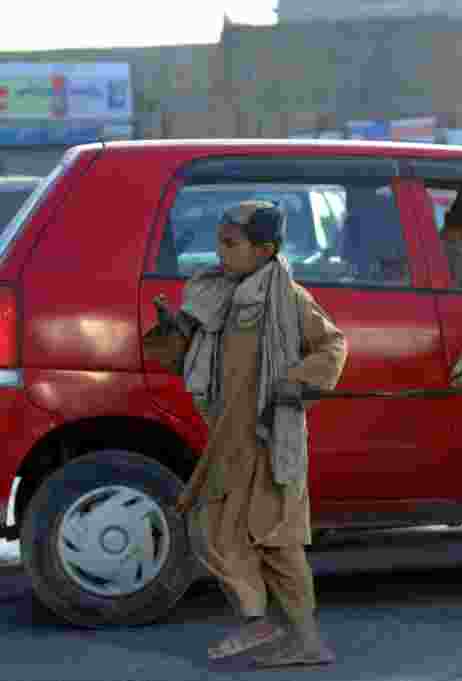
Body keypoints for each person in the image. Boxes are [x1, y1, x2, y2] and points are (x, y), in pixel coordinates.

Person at [142, 200, 347, 668]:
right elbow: (188, 359)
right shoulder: (214, 295)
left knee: (279, 542)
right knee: (214, 529)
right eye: (219, 242)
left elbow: (333, 344)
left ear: (265, 249)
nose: (220, 252)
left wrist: (298, 380)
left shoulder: (290, 299)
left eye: (231, 244)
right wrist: (175, 329)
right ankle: (261, 621)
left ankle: (303, 639)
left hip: (272, 438)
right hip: (229, 437)